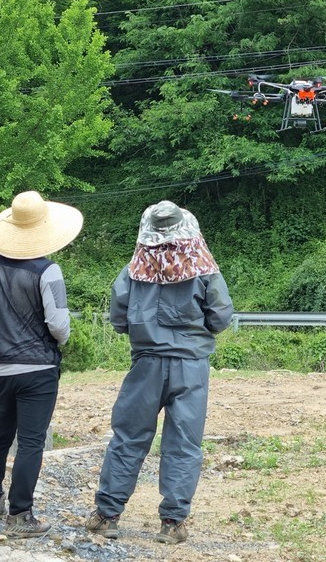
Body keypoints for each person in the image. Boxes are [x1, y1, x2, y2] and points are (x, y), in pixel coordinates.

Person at [86, 200, 233, 544]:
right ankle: (172, 523)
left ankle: (107, 515)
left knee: (129, 436)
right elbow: (221, 317)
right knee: (184, 443)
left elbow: (119, 319)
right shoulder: (203, 267)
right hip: (191, 366)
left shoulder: (133, 270)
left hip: (146, 364)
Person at [0, 191, 83, 538]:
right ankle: (20, 516)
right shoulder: (47, 270)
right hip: (37, 370)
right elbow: (59, 326)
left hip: (0, 367)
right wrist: (59, 343)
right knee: (31, 441)